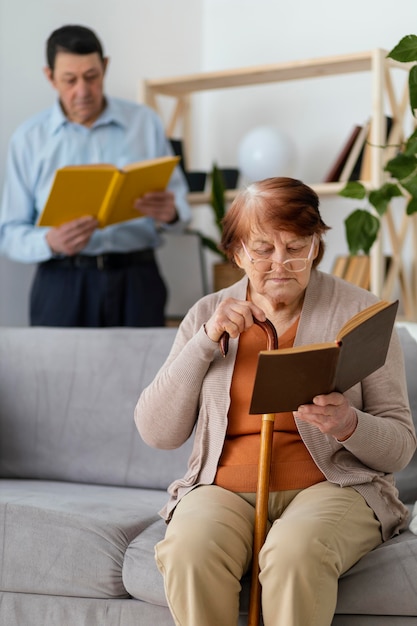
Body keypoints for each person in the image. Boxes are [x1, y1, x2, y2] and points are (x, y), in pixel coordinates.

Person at [134, 177, 416, 626]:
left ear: (316, 247)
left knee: (294, 553)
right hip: (222, 489)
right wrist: (205, 342)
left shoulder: (362, 313)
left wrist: (348, 423)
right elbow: (156, 431)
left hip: (334, 488)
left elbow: (400, 447)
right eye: (263, 248)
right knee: (190, 551)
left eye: (296, 247)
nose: (280, 263)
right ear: (237, 252)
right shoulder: (206, 315)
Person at [0, 24, 191, 327]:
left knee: (148, 375)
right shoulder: (28, 139)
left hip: (138, 281)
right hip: (61, 284)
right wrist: (49, 241)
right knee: (57, 374)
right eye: (69, 80)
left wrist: (171, 213)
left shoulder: (145, 123)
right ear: (50, 77)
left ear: (105, 67)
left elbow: (182, 209)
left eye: (92, 77)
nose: (83, 91)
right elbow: (8, 233)